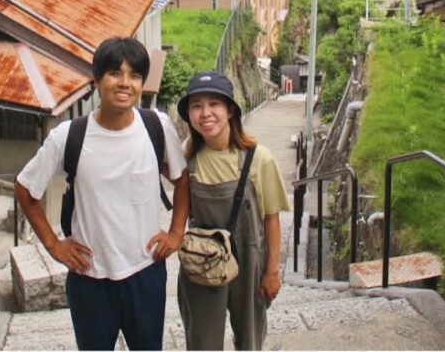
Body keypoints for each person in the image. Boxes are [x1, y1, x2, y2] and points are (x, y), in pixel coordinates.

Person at [14, 37, 189, 351]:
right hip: (89, 277)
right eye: (114, 73)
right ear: (96, 80)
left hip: (145, 272)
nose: (125, 83)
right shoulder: (69, 136)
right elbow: (25, 188)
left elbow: (182, 179)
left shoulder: (156, 126)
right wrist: (53, 244)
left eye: (134, 75)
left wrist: (176, 233)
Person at [176, 71, 290, 351]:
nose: (205, 113)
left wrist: (272, 273)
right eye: (196, 106)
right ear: (189, 115)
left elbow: (271, 220)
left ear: (230, 110)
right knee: (202, 342)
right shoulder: (186, 156)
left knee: (249, 340)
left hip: (249, 261)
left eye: (214, 104)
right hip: (202, 262)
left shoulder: (259, 158)